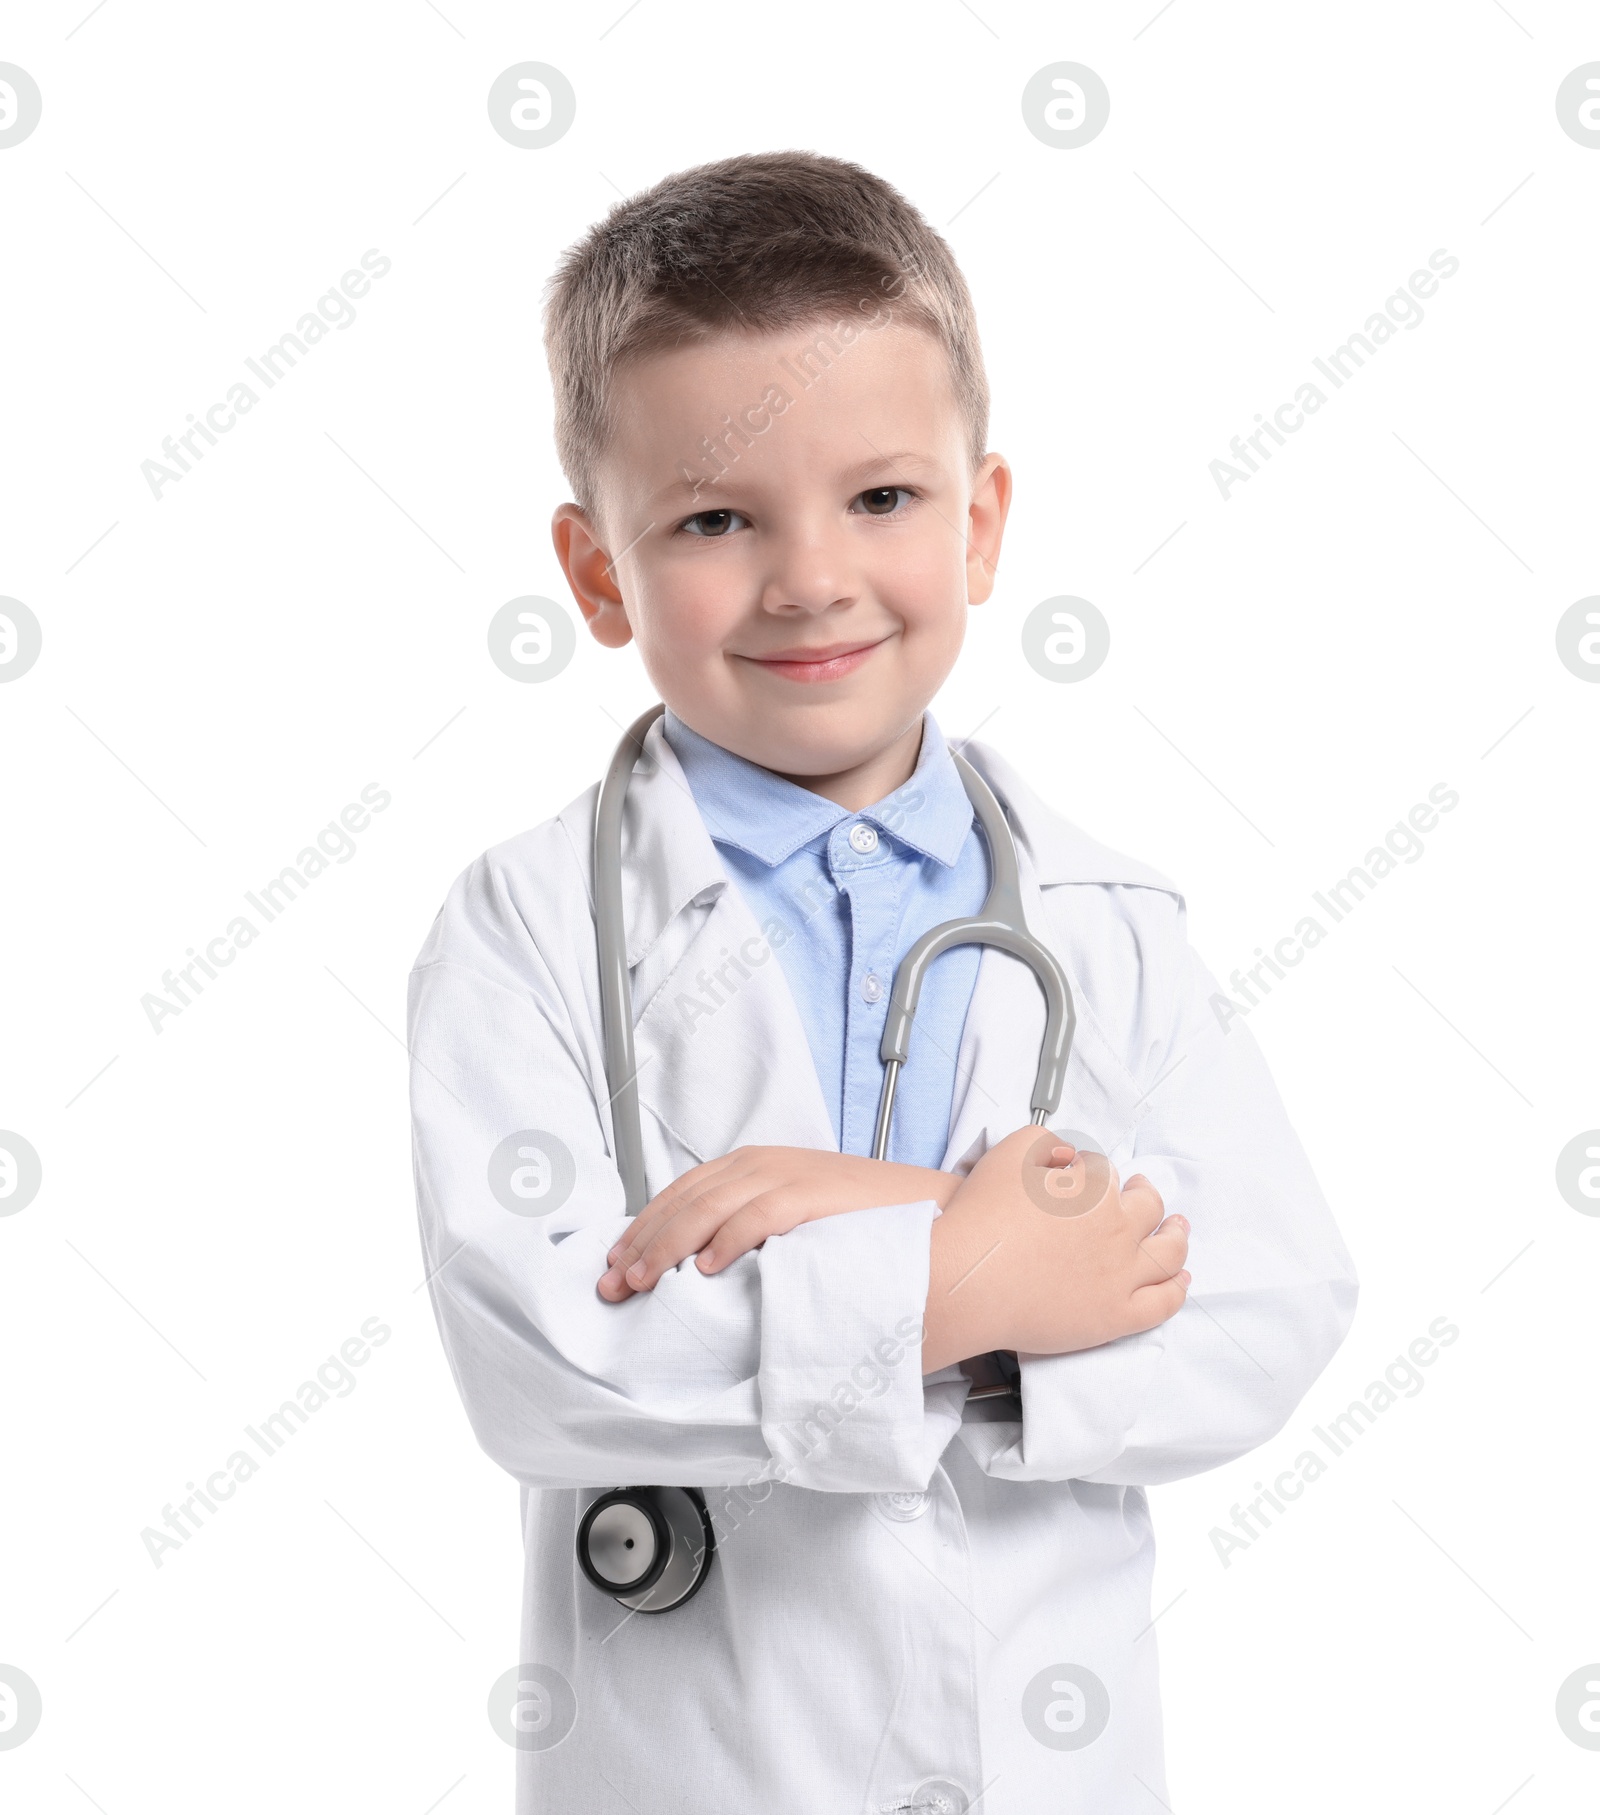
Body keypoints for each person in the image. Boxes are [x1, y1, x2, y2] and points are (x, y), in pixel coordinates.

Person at [406, 150, 1358, 1814]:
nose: (810, 579)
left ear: (981, 525)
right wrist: (978, 1278)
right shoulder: (528, 928)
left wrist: (873, 1220)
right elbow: (539, 1360)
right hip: (703, 1764)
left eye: (883, 499)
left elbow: (1271, 1311)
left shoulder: (1107, 918)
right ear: (600, 574)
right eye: (713, 519)